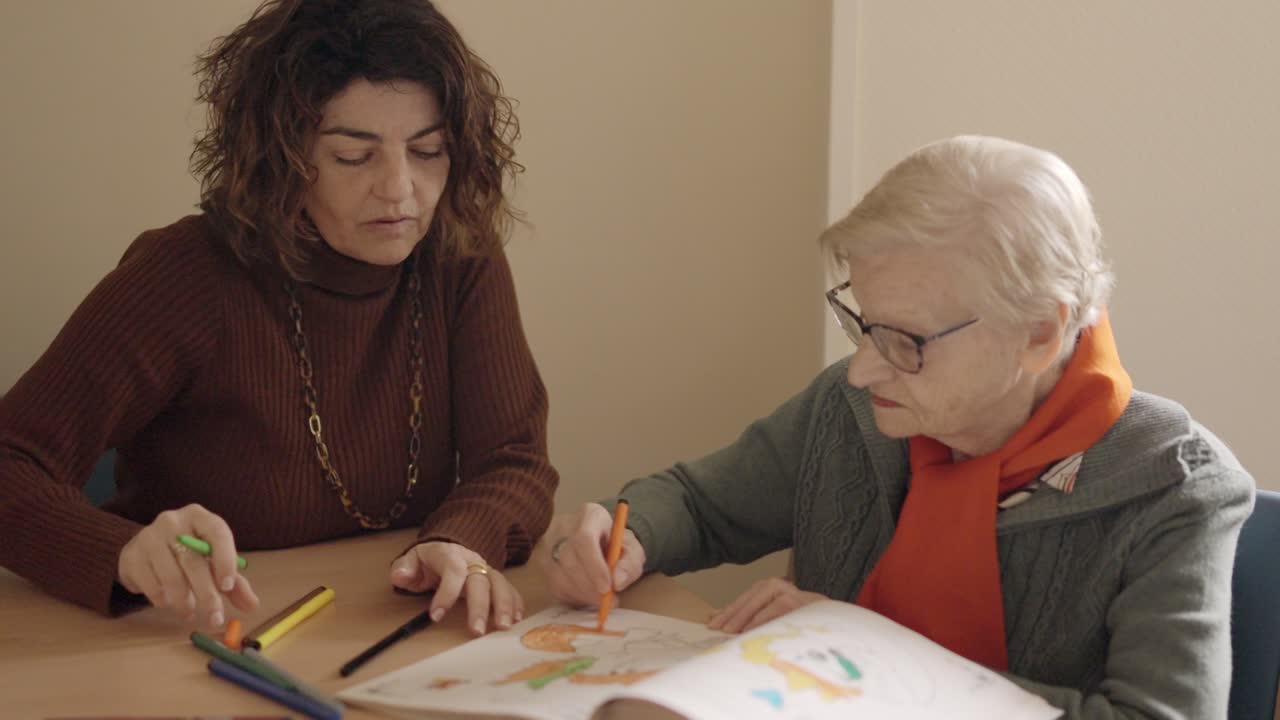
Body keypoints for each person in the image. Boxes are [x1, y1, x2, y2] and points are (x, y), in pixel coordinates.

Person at [538, 135, 1254, 717]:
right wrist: (626, 537)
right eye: (861, 323)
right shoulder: (851, 411)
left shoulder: (1176, 490)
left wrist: (857, 654)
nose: (862, 372)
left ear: (1039, 333)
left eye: (907, 341)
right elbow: (698, 503)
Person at [0, 0, 557, 637]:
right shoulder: (187, 273)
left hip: (395, 631)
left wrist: (462, 541)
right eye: (354, 157)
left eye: (428, 150)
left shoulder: (459, 253)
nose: (401, 189)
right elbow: (11, 458)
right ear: (284, 155)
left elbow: (514, 459)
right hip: (199, 637)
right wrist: (123, 551)